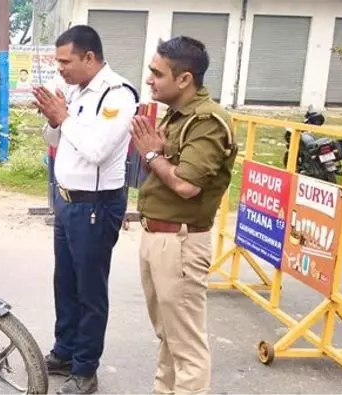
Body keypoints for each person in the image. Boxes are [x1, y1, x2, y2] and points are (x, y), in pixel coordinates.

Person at [32, 25, 138, 394]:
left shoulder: (117, 95)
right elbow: (59, 140)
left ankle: (85, 368)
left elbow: (96, 150)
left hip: (95, 207)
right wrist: (54, 120)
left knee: (90, 289)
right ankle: (65, 351)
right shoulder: (77, 92)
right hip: (67, 202)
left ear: (89, 57)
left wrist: (64, 118)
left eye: (66, 61)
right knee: (66, 283)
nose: (60, 68)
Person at [130, 36, 237, 395]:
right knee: (169, 337)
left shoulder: (207, 121)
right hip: (158, 237)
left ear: (184, 79)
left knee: (186, 345)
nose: (149, 80)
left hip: (180, 242)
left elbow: (187, 186)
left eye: (157, 73)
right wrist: (156, 154)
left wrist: (150, 156)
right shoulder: (178, 116)